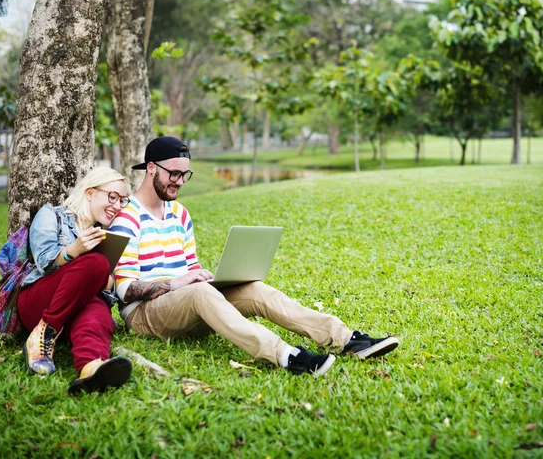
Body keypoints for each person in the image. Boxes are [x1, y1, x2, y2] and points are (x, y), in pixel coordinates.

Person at [110, 137, 399, 377]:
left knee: (254, 289)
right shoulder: (128, 218)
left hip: (187, 304)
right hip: (144, 315)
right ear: (150, 168)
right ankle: (287, 356)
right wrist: (178, 283)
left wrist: (209, 278)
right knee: (198, 291)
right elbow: (124, 291)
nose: (180, 182)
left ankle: (347, 339)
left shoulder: (180, 214)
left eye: (185, 175)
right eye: (173, 173)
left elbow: (191, 269)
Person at [18, 167, 133, 394]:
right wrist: (74, 250)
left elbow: (108, 289)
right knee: (96, 263)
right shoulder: (52, 214)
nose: (117, 206)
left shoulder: (107, 234)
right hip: (38, 301)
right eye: (112, 197)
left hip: (75, 307)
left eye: (122, 200)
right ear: (90, 193)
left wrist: (106, 281)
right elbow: (43, 262)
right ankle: (43, 334)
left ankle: (91, 367)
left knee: (98, 311)